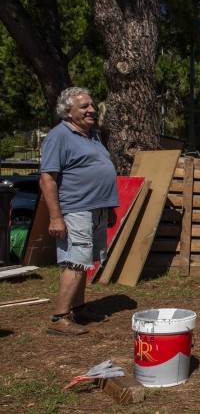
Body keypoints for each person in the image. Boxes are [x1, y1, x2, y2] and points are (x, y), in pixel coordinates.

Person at [40, 87, 118, 336]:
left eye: (92, 105)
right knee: (75, 261)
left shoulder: (93, 135)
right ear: (68, 111)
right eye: (84, 106)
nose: (91, 110)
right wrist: (55, 217)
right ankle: (59, 317)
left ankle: (79, 308)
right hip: (76, 209)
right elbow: (47, 180)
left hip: (96, 209)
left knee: (84, 261)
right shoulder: (59, 136)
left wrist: (109, 206)